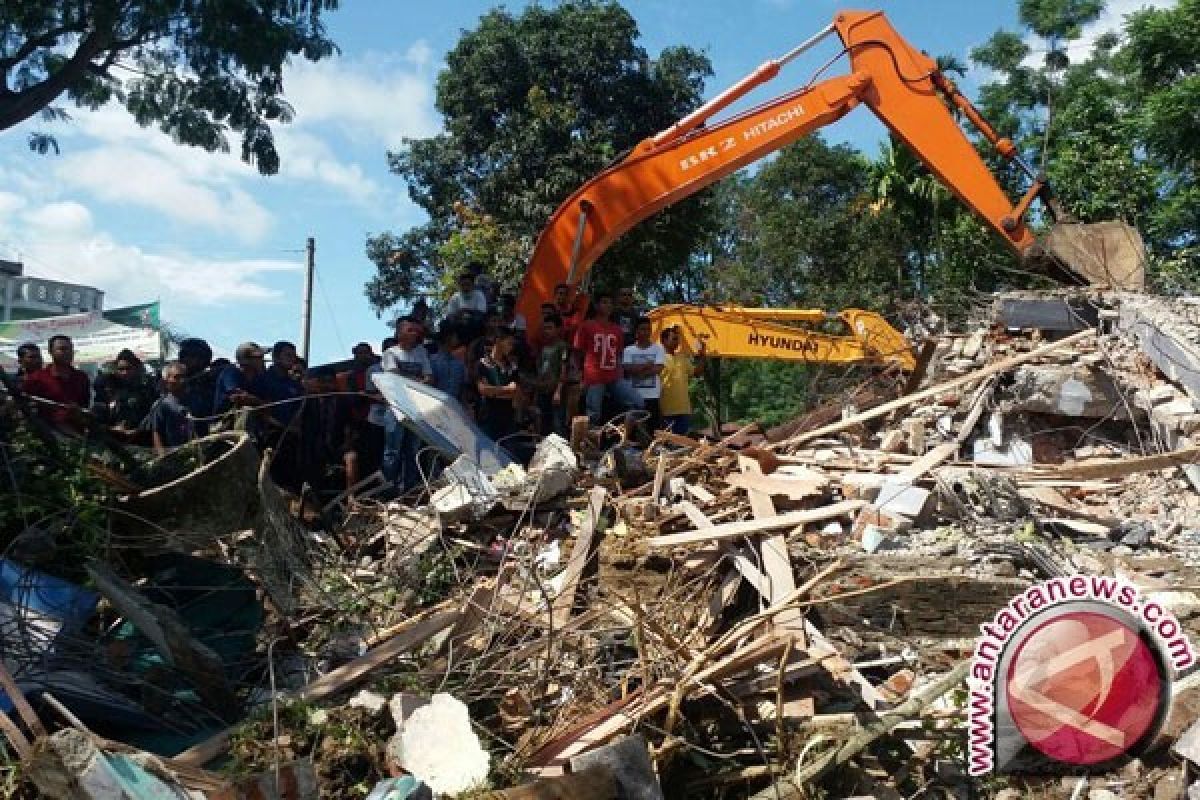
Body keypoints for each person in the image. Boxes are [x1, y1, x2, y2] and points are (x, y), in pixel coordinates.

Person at [573, 292, 643, 425]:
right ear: (597, 305)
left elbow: (618, 355)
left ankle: (623, 432)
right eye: (604, 302)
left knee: (637, 402)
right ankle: (591, 443)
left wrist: (620, 375)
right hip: (594, 377)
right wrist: (581, 374)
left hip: (614, 377)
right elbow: (577, 352)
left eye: (610, 303)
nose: (608, 306)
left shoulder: (617, 329)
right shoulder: (586, 326)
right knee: (594, 414)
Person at [380, 319, 433, 491]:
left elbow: (429, 378)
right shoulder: (390, 353)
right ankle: (388, 488)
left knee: (413, 450)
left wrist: (408, 379)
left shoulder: (421, 352)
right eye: (410, 330)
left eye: (416, 331)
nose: (415, 334)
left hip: (416, 409)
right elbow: (394, 379)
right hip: (395, 409)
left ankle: (409, 488)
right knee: (393, 450)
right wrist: (418, 381)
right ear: (399, 333)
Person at [336, 342, 386, 496]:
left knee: (377, 457)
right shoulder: (350, 377)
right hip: (358, 423)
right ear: (355, 355)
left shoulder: (379, 374)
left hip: (377, 421)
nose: (364, 356)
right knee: (361, 458)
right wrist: (366, 395)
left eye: (367, 352)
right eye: (360, 353)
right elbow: (352, 399)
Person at [22, 335, 90, 431]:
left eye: (70, 349)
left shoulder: (81, 377)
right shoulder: (36, 378)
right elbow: (25, 407)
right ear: (51, 352)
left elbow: (85, 406)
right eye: (62, 349)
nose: (68, 352)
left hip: (77, 431)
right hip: (48, 432)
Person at [92, 349, 157, 432]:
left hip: (140, 435)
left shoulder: (146, 389)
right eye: (121, 369)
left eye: (128, 368)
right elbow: (98, 417)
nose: (124, 372)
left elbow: (152, 417)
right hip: (112, 436)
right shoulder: (108, 387)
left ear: (136, 368)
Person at [476, 329, 522, 442]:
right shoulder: (482, 364)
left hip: (508, 418)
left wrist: (495, 392)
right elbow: (484, 390)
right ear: (498, 341)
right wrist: (506, 389)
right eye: (509, 343)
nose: (511, 347)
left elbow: (516, 392)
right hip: (488, 417)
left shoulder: (512, 366)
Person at [659, 326, 706, 434]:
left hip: (683, 410)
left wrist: (702, 354)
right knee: (668, 444)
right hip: (665, 410)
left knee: (681, 444)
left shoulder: (682, 358)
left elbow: (697, 373)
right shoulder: (658, 359)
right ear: (664, 341)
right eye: (674, 339)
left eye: (678, 339)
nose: (677, 342)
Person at [622, 318, 666, 430]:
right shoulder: (628, 350)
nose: (646, 332)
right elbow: (627, 368)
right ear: (636, 331)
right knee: (633, 428)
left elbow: (658, 368)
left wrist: (638, 371)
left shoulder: (658, 348)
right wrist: (647, 365)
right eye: (642, 329)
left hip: (653, 396)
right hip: (634, 395)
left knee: (653, 428)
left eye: (648, 329)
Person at [142, 361, 195, 454]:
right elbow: (156, 432)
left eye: (184, 377)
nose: (182, 381)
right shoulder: (161, 405)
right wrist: (162, 456)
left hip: (194, 450)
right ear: (166, 381)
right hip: (173, 454)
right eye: (177, 377)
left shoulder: (194, 400)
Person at [532, 315, 568, 435]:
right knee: (543, 420)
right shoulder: (544, 347)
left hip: (555, 389)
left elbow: (564, 369)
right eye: (545, 328)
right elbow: (541, 369)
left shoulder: (562, 346)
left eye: (550, 328)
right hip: (543, 388)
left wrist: (558, 390)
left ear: (558, 329)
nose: (547, 331)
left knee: (557, 422)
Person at [212, 342, 267, 417]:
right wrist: (260, 402)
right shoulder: (231, 372)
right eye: (259, 358)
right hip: (225, 423)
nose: (263, 361)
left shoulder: (258, 379)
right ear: (246, 360)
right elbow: (238, 397)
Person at [178, 338, 217, 435]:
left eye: (192, 356)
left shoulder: (211, 381)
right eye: (184, 355)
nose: (186, 360)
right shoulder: (173, 380)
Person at [430, 327, 467, 403]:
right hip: (436, 403)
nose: (457, 339)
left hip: (455, 405)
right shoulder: (432, 361)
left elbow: (462, 387)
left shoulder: (459, 364)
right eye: (455, 337)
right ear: (448, 338)